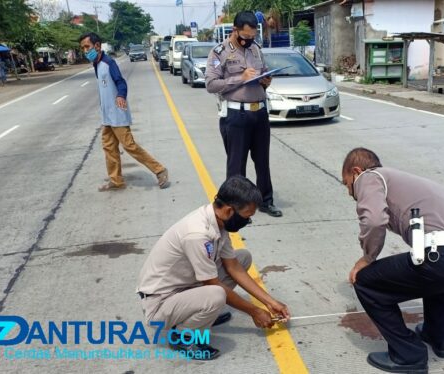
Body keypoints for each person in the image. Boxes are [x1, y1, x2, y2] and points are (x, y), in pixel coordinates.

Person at [341, 148, 444, 374]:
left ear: (356, 171)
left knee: (366, 282)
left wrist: (367, 258)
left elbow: (374, 220)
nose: (350, 192)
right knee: (428, 272)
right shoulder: (405, 181)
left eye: (347, 183)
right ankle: (436, 336)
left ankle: (408, 355)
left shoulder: (370, 177)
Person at [136, 176, 291, 359]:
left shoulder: (218, 222)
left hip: (184, 286)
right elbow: (212, 283)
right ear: (228, 210)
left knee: (242, 258)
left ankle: (202, 315)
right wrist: (254, 311)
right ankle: (183, 335)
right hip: (160, 303)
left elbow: (233, 266)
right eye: (246, 217)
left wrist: (270, 302)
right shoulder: (197, 234)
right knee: (216, 294)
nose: (247, 222)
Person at [205, 11, 282, 218]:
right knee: (236, 165)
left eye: (252, 37)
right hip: (236, 116)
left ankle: (266, 201)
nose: (249, 41)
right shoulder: (219, 52)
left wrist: (266, 80)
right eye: (245, 37)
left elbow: (263, 70)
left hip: (259, 114)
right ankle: (235, 208)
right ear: (235, 31)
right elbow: (211, 84)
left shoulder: (256, 49)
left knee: (262, 161)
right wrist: (240, 77)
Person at [78, 32, 169, 192]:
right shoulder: (97, 64)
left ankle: (160, 170)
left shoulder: (108, 63)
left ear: (97, 46)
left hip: (117, 115)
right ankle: (116, 180)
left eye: (87, 47)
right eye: (83, 48)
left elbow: (121, 82)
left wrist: (121, 95)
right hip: (107, 117)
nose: (85, 51)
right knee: (109, 147)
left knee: (130, 146)